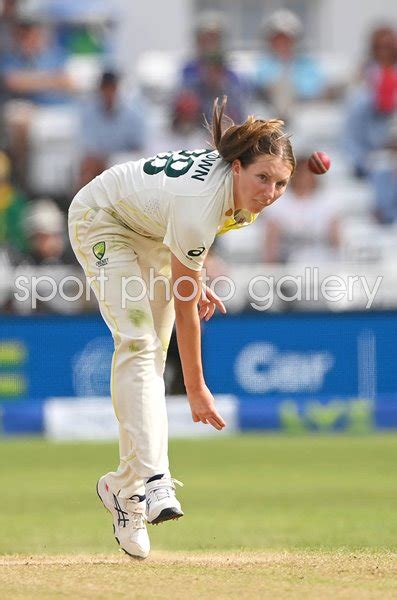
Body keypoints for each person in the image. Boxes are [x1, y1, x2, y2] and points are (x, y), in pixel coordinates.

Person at [68, 97, 295, 559]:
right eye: (262, 178)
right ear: (235, 167)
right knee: (138, 343)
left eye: (281, 183)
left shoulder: (239, 194)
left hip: (153, 233)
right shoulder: (201, 204)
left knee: (146, 358)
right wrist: (195, 387)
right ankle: (155, 480)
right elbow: (188, 306)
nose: (270, 192)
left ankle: (122, 489)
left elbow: (191, 241)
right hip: (102, 220)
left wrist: (196, 273)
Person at [264, 156, 340, 263]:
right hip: (288, 258)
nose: (306, 177)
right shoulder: (279, 200)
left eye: (310, 173)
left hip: (321, 256)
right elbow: (272, 237)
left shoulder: (326, 200)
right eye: (303, 173)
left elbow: (335, 235)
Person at [78, 70, 146, 188]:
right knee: (88, 166)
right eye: (106, 88)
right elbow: (90, 149)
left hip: (126, 161)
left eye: (112, 88)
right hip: (100, 162)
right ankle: (83, 205)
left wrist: (116, 162)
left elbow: (139, 148)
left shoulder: (134, 112)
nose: (109, 93)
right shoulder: (89, 113)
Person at [255, 9, 326, 121]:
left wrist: (291, 88)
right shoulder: (265, 63)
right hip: (270, 112)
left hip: (301, 112)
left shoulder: (306, 63)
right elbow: (261, 82)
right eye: (277, 39)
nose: (282, 43)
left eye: (286, 39)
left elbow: (313, 87)